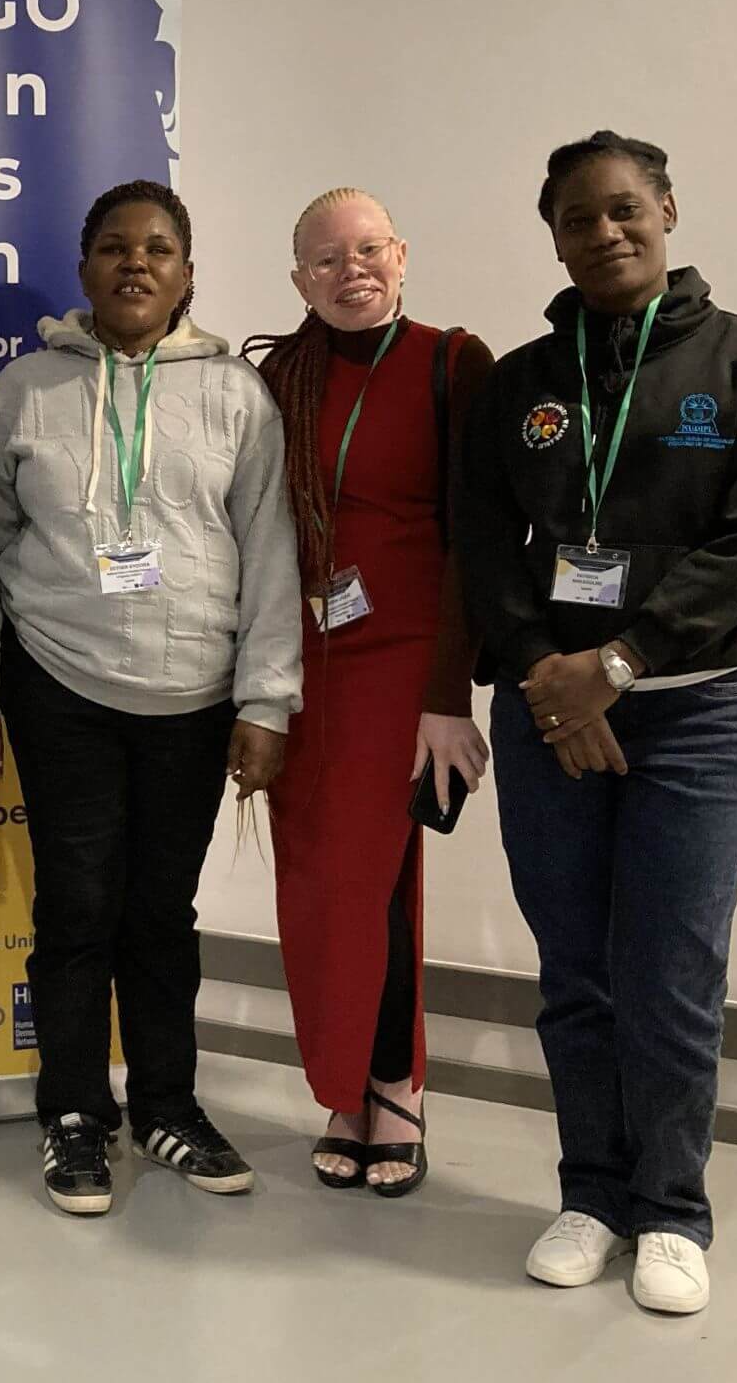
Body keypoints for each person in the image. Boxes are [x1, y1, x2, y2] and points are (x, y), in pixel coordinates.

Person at [460, 131, 737, 1315]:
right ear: (552, 234)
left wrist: (623, 660)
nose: (602, 234)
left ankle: (672, 1210)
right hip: (553, 716)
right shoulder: (521, 382)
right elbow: (483, 543)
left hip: (693, 719)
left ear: (667, 211)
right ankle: (592, 1193)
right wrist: (551, 674)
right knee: (576, 973)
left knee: (673, 975)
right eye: (575, 219)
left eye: (622, 210)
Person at [0, 179, 304, 1217]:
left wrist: (266, 701)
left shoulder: (237, 398)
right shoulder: (24, 390)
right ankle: (73, 1113)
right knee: (73, 906)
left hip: (194, 695)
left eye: (158, 248)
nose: (136, 264)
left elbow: (271, 554)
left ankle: (165, 1103)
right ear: (85, 271)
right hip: (58, 680)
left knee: (161, 911)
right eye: (114, 247)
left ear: (188, 272)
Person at [243, 189, 494, 1196]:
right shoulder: (278, 376)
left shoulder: (451, 362)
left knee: (377, 883)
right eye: (325, 258)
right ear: (297, 277)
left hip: (405, 665)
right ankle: (342, 1085)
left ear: (401, 255)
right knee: (313, 885)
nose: (351, 270)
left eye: (369, 249)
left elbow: (477, 539)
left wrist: (450, 694)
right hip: (300, 664)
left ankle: (393, 1084)